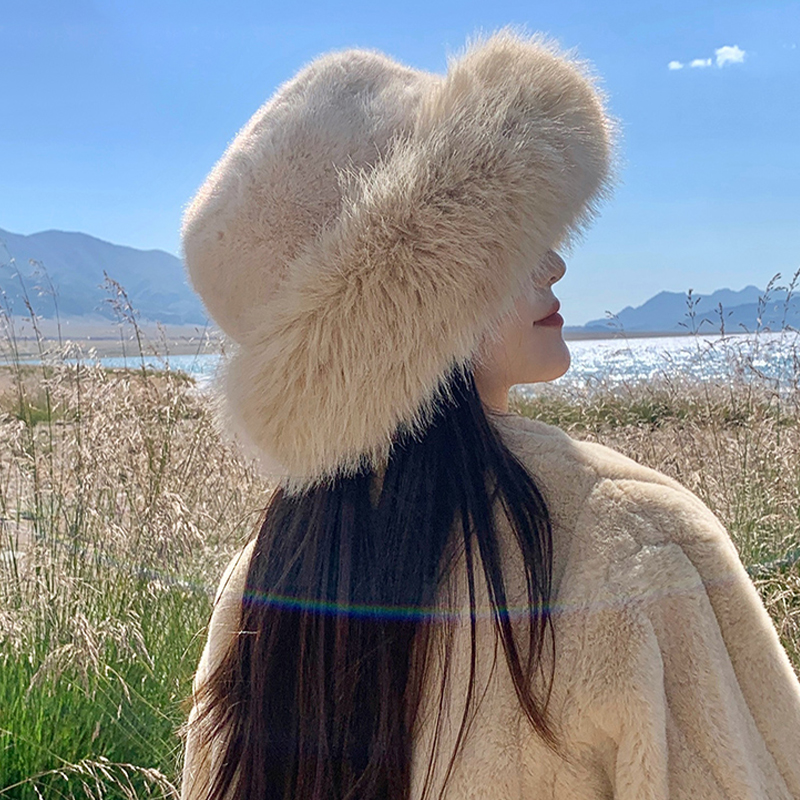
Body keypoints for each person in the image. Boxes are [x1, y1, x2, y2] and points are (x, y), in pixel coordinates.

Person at [179, 28, 800, 800]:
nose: (554, 264)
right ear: (421, 299)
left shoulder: (265, 582)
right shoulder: (628, 542)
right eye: (507, 243)